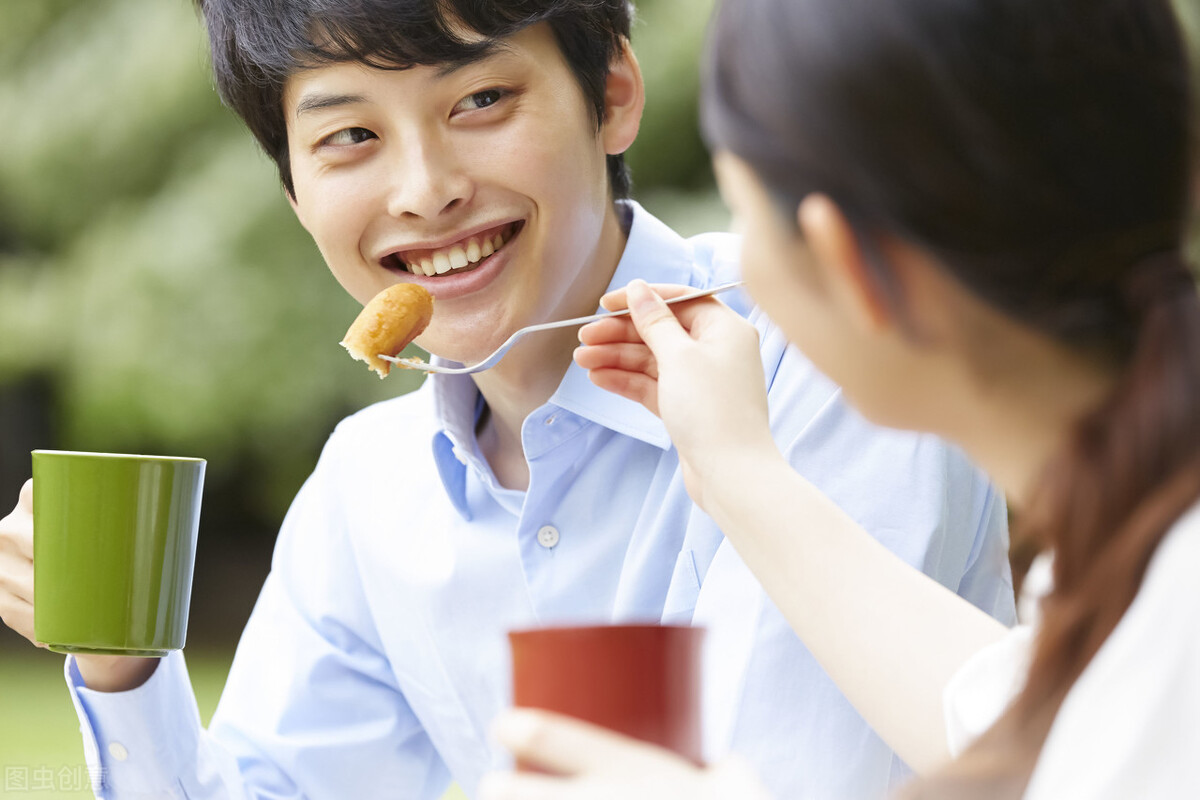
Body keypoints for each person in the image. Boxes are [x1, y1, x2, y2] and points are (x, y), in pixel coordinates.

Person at [0, 1, 1016, 798]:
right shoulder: (370, 487)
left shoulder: (835, 348)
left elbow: (802, 776)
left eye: (480, 99)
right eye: (349, 135)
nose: (425, 190)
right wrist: (123, 668)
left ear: (613, 93)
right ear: (295, 193)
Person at [477, 0, 1200, 798]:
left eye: (744, 213)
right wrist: (734, 469)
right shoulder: (1137, 565)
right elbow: (1006, 717)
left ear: (845, 261)